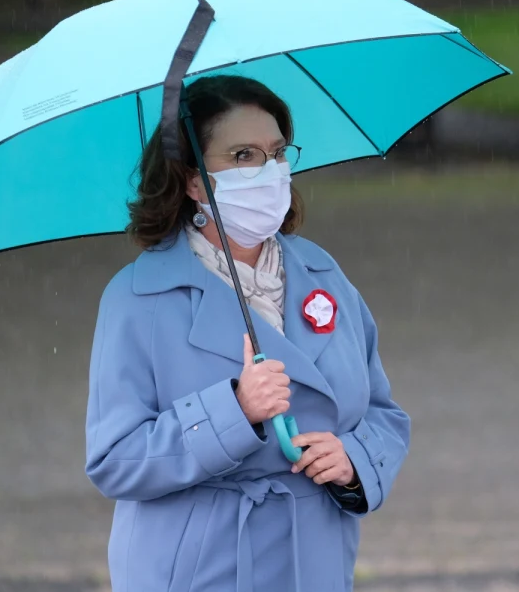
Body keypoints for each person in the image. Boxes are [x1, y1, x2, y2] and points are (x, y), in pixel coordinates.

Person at [85, 74, 410, 592]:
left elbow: (383, 413)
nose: (269, 171)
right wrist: (233, 411)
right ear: (193, 181)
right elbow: (114, 459)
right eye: (243, 156)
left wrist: (355, 460)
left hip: (313, 563)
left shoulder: (323, 274)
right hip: (200, 569)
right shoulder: (137, 298)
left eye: (278, 153)